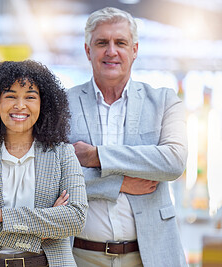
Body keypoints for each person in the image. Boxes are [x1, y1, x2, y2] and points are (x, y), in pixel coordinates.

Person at [67, 7, 188, 267]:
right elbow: (52, 177)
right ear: (88, 51)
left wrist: (95, 156)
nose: (111, 51)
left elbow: (173, 161)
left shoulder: (165, 101)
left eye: (120, 42)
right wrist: (120, 184)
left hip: (149, 257)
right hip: (78, 257)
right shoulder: (62, 105)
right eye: (102, 43)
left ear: (134, 50)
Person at [0, 60, 88, 267]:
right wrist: (42, 232)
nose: (20, 105)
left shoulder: (63, 154)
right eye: (10, 96)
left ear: (44, 104)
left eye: (30, 97)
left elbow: (75, 218)